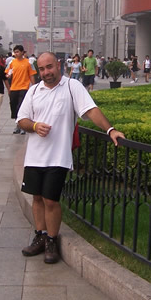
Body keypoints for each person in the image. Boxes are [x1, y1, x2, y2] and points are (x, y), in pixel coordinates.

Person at [17, 52, 125, 263]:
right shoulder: (34, 91)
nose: (46, 72)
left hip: (58, 157)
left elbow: (91, 110)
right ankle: (40, 236)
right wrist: (35, 126)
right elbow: (22, 119)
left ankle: (51, 240)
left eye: (49, 67)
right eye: (42, 69)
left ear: (58, 65)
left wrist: (110, 129)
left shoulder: (71, 87)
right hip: (34, 157)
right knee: (37, 198)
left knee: (50, 200)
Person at [5, 44, 36, 134]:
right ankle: (18, 124)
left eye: (18, 52)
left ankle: (22, 126)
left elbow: (32, 75)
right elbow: (7, 73)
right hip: (14, 88)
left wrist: (34, 87)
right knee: (14, 106)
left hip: (24, 88)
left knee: (21, 106)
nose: (16, 54)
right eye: (15, 52)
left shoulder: (28, 63)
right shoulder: (12, 63)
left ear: (22, 52)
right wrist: (8, 76)